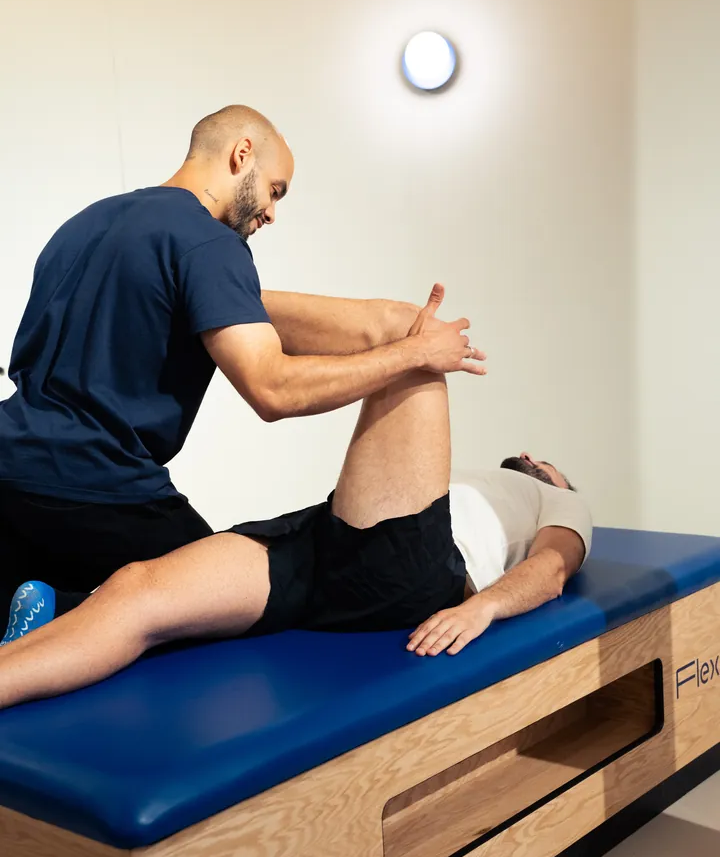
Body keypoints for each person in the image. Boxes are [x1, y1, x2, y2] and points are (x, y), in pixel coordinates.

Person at [0, 289, 591, 711]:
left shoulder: (560, 502)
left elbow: (551, 570)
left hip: (410, 569)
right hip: (321, 539)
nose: (536, 459)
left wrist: (481, 609)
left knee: (408, 329)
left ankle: (199, 296)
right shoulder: (459, 476)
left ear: (554, 479)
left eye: (548, 465)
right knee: (137, 587)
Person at [0, 105, 480, 623]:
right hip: (102, 490)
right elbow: (274, 390)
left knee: (33, 622)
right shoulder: (208, 242)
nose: (272, 213)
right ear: (241, 153)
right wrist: (417, 354)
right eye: (276, 190)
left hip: (10, 473)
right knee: (240, 604)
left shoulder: (83, 226)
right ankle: (70, 609)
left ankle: (54, 608)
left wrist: (385, 323)